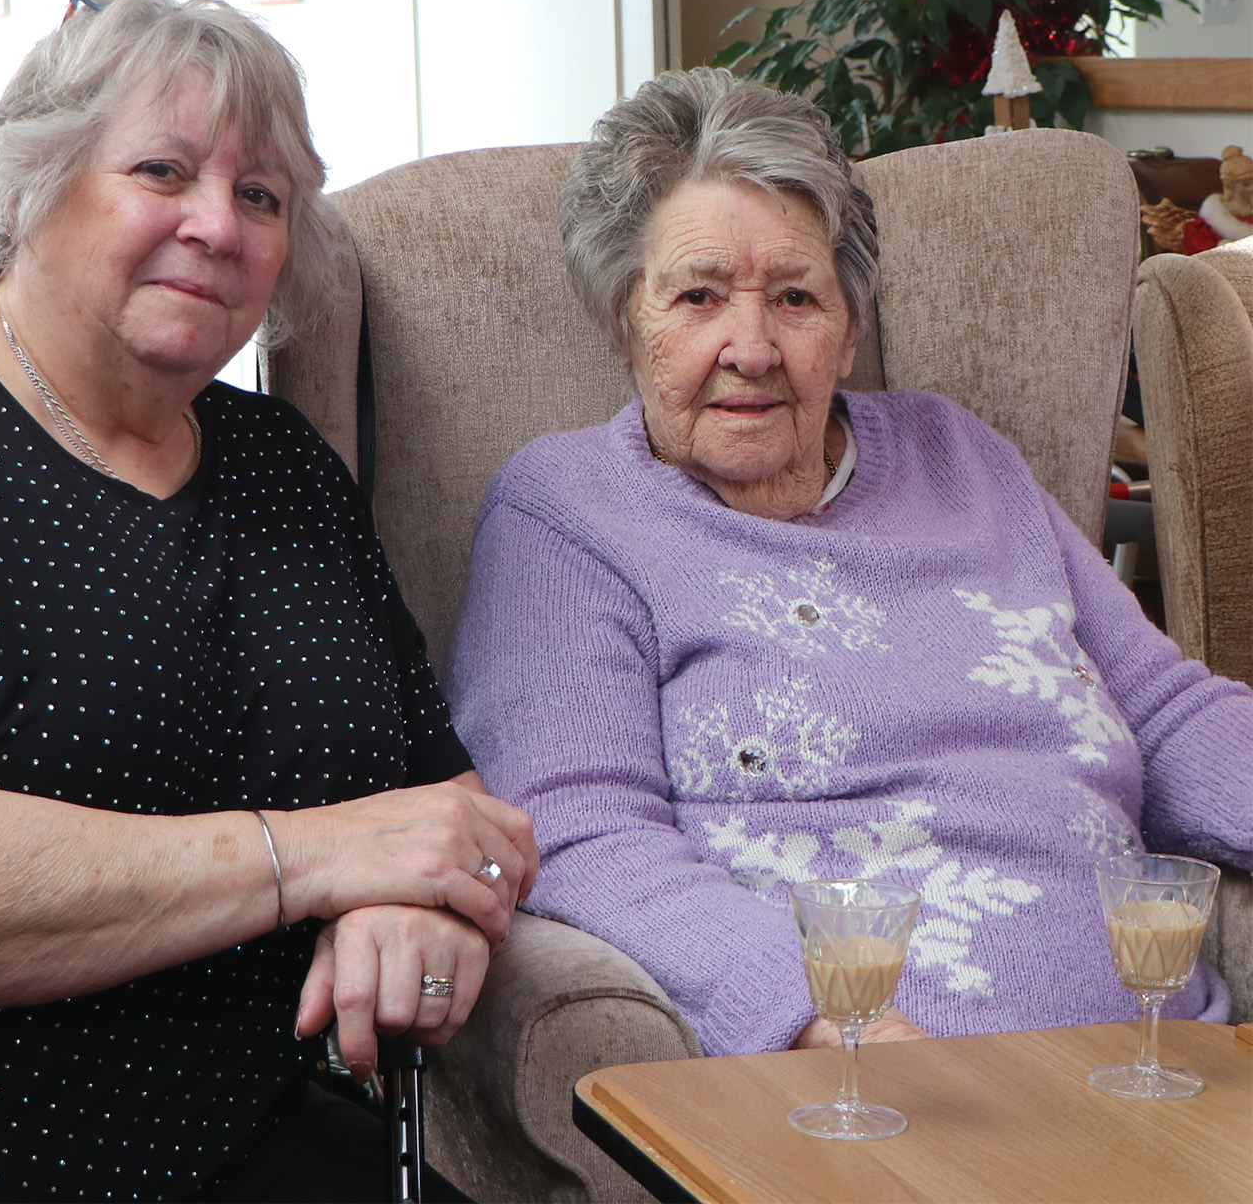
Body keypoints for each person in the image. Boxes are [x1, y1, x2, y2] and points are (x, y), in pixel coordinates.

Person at [0, 0, 536, 1204]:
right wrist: (315, 856)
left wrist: (433, 907)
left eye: (261, 196)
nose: (217, 225)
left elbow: (444, 809)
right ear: (36, 182)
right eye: (163, 171)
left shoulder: (280, 463)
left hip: (249, 1131)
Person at [447, 67, 1252, 1059]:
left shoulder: (958, 457)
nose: (751, 346)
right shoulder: (569, 512)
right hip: (875, 1089)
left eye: (795, 297)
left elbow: (1165, 713)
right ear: (625, 321)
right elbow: (583, 833)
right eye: (697, 297)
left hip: (1162, 1056)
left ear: (850, 322)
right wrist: (822, 1016)